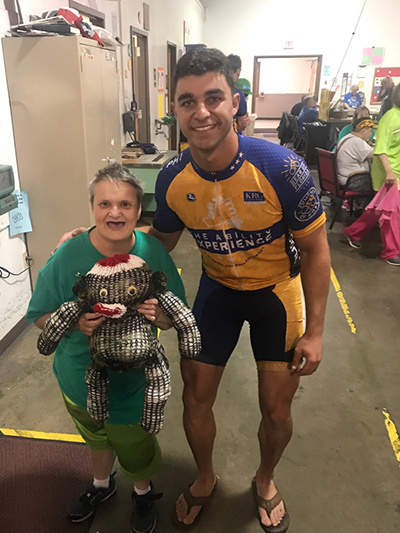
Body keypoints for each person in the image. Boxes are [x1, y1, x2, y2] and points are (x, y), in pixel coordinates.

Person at [148, 48, 330, 531]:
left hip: (278, 295)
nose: (201, 112)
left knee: (275, 408)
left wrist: (315, 333)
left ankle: (266, 478)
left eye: (213, 98)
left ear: (235, 103)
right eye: (188, 101)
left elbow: (316, 251)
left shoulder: (281, 167)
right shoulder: (172, 177)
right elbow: (156, 246)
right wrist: (94, 240)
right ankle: (205, 478)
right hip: (218, 293)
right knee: (194, 398)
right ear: (177, 110)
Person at [26, 163, 186, 532]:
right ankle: (103, 484)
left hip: (133, 384)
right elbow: (38, 314)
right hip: (76, 377)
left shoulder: (153, 253)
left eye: (125, 205)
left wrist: (158, 314)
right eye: (104, 204)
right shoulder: (67, 257)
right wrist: (73, 324)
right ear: (93, 207)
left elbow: (174, 317)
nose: (114, 213)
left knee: (134, 443)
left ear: (138, 208)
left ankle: (143, 492)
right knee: (95, 435)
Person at [344, 84, 400, 266]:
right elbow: (380, 150)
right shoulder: (390, 119)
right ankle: (390, 251)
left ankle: (353, 232)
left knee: (377, 211)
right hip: (389, 173)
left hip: (394, 171)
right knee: (390, 213)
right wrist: (390, 172)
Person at [336, 117, 375, 188]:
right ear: (364, 130)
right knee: (379, 182)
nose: (371, 134)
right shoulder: (357, 142)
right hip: (353, 180)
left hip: (342, 177)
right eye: (370, 131)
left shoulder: (346, 137)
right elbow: (375, 155)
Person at [226, 54, 250, 133]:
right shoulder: (238, 95)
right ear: (238, 72)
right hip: (232, 140)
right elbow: (241, 125)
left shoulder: (212, 91)